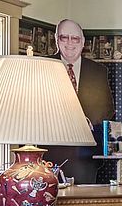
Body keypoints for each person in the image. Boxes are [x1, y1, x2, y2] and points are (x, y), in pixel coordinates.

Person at [47, 19, 115, 183]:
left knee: (84, 197)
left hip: (85, 154)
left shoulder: (98, 71)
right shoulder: (44, 66)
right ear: (56, 39)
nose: (70, 43)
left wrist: (86, 121)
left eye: (75, 38)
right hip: (50, 151)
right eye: (64, 37)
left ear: (83, 42)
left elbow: (107, 108)